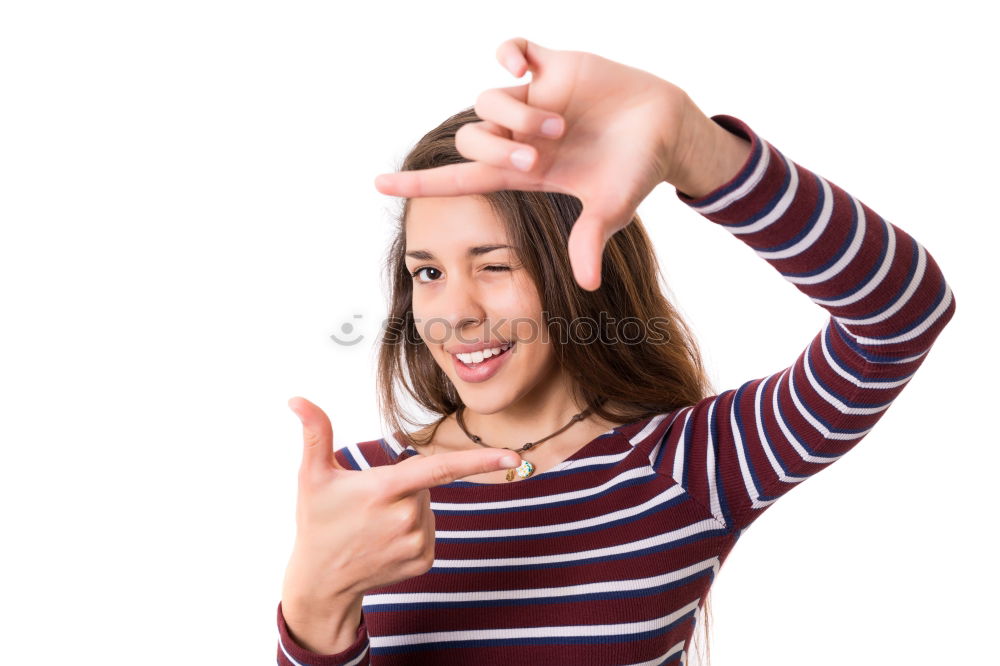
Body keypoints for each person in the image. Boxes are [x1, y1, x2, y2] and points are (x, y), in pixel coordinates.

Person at [275, 38, 956, 665]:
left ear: (578, 262)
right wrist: (312, 612)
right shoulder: (367, 489)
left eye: (494, 265)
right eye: (429, 272)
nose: (456, 314)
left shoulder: (689, 467)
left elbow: (900, 315)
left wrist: (700, 150)